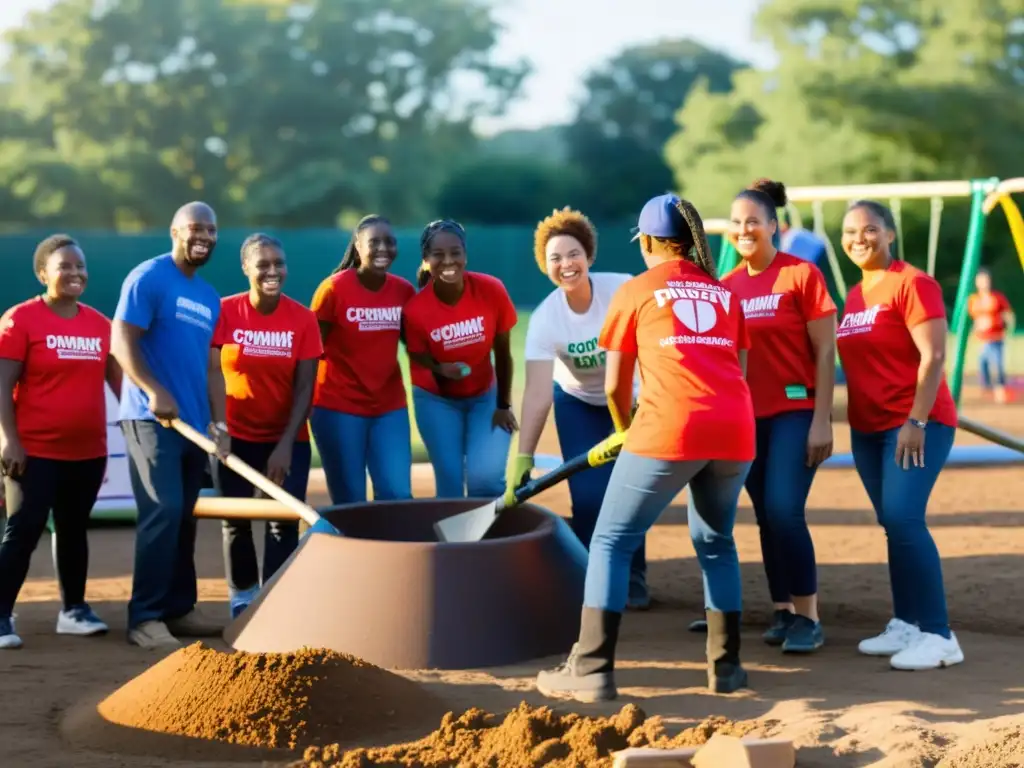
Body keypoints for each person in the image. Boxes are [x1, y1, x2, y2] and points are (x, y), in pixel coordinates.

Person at [536, 193, 756, 703]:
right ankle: (727, 670)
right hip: (735, 430)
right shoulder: (725, 293)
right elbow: (738, 371)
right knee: (717, 542)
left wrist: (621, 429)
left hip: (670, 428)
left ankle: (590, 670)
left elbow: (616, 386)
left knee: (612, 541)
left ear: (652, 242)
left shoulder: (636, 290)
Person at [837, 199, 964, 671]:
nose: (858, 239)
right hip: (868, 429)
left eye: (869, 229)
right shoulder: (855, 295)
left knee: (905, 520)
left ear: (889, 234)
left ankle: (939, 634)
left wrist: (916, 421)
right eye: (850, 232)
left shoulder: (914, 284)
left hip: (913, 424)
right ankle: (908, 623)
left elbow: (932, 358)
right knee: (893, 524)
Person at [509, 207, 649, 609]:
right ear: (545, 267)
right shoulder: (545, 320)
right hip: (578, 403)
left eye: (573, 254)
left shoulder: (623, 290)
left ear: (588, 256)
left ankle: (634, 577)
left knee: (628, 492)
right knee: (588, 497)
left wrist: (642, 405)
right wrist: (523, 455)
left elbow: (655, 348)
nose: (565, 264)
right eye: (555, 258)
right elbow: (537, 393)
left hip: (631, 400)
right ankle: (594, 576)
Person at [720, 179, 837, 654]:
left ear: (774, 226)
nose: (745, 229)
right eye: (736, 223)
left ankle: (809, 616)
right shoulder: (726, 288)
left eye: (754, 221)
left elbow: (826, 349)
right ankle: (783, 610)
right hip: (748, 419)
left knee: (785, 509)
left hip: (795, 411)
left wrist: (822, 419)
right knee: (767, 515)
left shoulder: (801, 275)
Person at [112, 201, 229, 650]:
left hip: (194, 427)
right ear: (175, 231)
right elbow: (121, 341)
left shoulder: (209, 295)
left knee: (183, 517)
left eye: (211, 230)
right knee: (162, 512)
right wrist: (153, 389)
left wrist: (218, 422)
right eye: (195, 228)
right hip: (150, 418)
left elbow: (213, 368)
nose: (204, 236)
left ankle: (178, 610)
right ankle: (145, 617)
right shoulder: (148, 277)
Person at [0, 235, 123, 649]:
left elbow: (123, 387)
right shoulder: (20, 320)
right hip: (33, 450)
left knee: (72, 529)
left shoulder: (100, 325)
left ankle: (73, 610)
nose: (75, 273)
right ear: (42, 274)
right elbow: (2, 387)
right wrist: (9, 440)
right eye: (64, 267)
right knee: (24, 529)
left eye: (79, 266)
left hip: (87, 452)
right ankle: (1, 613)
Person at [212, 234, 323, 618]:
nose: (272, 271)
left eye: (279, 263)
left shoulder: (302, 318)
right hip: (234, 438)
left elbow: (306, 386)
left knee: (282, 522)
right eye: (263, 264)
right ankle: (243, 598)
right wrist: (220, 427)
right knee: (235, 521)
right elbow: (210, 372)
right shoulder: (224, 311)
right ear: (246, 268)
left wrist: (286, 444)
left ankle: (275, 603)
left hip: (286, 438)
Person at [402, 220, 518, 498]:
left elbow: (502, 351)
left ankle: (491, 538)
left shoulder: (491, 290)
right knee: (451, 484)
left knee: (486, 482)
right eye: (438, 255)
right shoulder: (416, 310)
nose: (448, 261)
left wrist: (503, 404)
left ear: (465, 255)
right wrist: (439, 369)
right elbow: (416, 354)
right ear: (426, 260)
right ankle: (457, 542)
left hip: (485, 397)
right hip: (436, 400)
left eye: (455, 253)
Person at [309, 216, 416, 504]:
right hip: (338, 407)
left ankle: (393, 550)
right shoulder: (332, 290)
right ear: (358, 247)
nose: (384, 248)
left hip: (389, 407)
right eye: (374, 242)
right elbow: (309, 352)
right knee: (351, 502)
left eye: (390, 241)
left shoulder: (403, 291)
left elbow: (417, 346)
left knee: (398, 495)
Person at [967, 268, 1014, 404]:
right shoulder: (973, 299)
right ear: (977, 282)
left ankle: (1000, 391)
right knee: (983, 365)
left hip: (996, 338)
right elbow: (974, 320)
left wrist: (1008, 329)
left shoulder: (997, 297)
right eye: (981, 281)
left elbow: (1008, 314)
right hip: (982, 339)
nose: (984, 283)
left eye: (986, 280)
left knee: (998, 364)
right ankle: (987, 390)